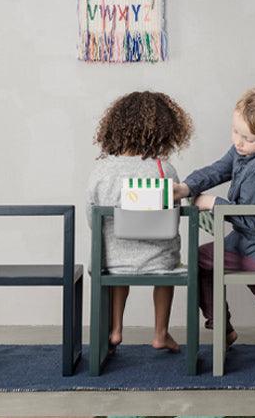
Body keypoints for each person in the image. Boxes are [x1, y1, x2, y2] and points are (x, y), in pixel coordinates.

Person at [173, 87, 255, 348]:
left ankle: (221, 325)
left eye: (249, 138)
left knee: (201, 260)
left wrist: (213, 203)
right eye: (236, 131)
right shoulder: (245, 149)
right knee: (246, 268)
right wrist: (187, 187)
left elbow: (254, 221)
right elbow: (218, 169)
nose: (239, 142)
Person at [87, 91, 193, 352]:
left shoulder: (102, 171)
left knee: (116, 260)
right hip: (160, 260)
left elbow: (93, 217)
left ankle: (115, 330)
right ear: (165, 130)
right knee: (166, 267)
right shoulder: (163, 169)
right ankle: (160, 333)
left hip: (113, 262)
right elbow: (174, 215)